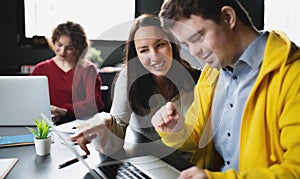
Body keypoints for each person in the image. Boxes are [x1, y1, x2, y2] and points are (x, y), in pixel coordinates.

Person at [151, 0, 300, 178]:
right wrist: (177, 128)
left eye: (197, 37)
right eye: (186, 44)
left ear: (228, 17)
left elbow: (296, 170)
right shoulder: (212, 72)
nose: (194, 52)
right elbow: (198, 133)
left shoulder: (293, 75)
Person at [70, 14, 201, 161]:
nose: (155, 56)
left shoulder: (197, 80)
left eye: (160, 45)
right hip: (149, 158)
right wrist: (106, 120)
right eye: (144, 50)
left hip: (188, 163)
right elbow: (115, 142)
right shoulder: (128, 77)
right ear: (136, 55)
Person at [31, 21, 104, 125]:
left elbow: (95, 103)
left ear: (79, 49)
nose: (62, 52)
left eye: (70, 48)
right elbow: (30, 102)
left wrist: (65, 111)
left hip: (80, 125)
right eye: (59, 45)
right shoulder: (40, 69)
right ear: (54, 42)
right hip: (46, 125)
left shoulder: (88, 70)